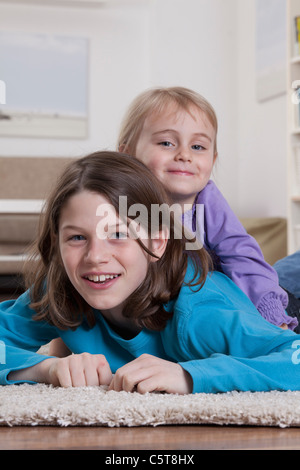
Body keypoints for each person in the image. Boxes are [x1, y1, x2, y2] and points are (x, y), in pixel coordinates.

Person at [1, 151, 300, 394]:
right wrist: (44, 368)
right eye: (77, 238)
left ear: (156, 242)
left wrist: (188, 374)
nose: (95, 257)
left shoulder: (199, 311)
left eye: (117, 234)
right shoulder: (61, 289)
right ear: (57, 244)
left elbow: (293, 358)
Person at [117, 86, 297, 331]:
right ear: (126, 153)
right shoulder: (119, 207)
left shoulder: (207, 200)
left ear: (212, 160)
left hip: (258, 301)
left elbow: (243, 257)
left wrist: (274, 317)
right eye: (167, 142)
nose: (184, 155)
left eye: (198, 147)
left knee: (288, 274)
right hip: (203, 318)